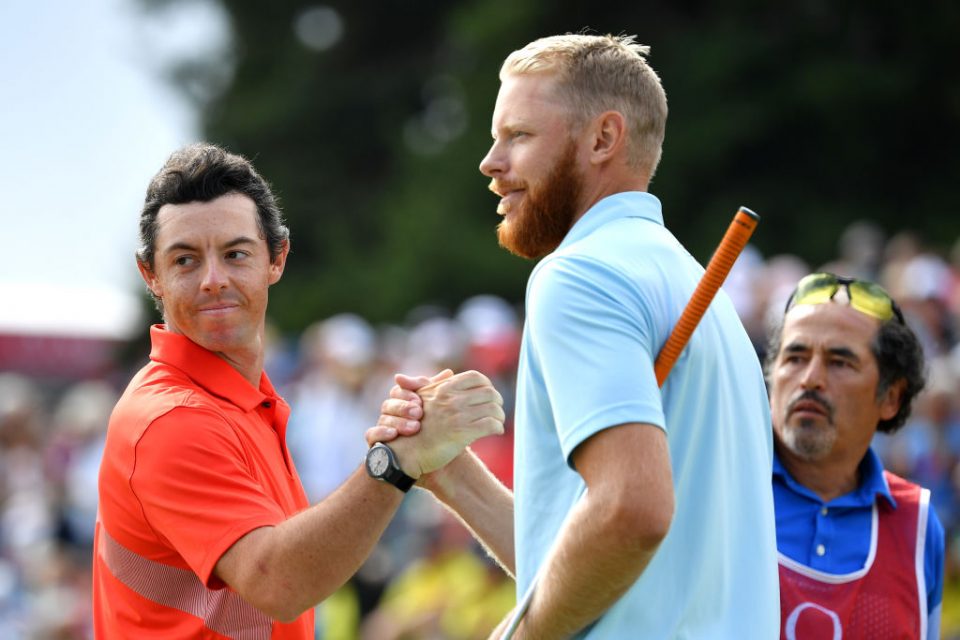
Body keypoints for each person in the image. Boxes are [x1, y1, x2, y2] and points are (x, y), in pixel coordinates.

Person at [374, 33, 779, 638]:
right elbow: (594, 566)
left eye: (518, 136)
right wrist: (451, 473)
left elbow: (632, 510)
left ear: (602, 139)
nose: (490, 163)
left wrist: (522, 634)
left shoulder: (580, 275)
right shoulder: (696, 289)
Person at [92, 143, 505, 638]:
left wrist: (425, 460)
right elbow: (278, 583)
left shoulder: (239, 401)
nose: (213, 280)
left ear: (277, 258)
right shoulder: (172, 418)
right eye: (185, 260)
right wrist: (395, 463)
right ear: (150, 275)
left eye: (235, 253)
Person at [766, 272, 945, 639]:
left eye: (839, 362)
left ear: (891, 397)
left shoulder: (918, 526)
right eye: (795, 357)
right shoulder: (713, 488)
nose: (810, 379)